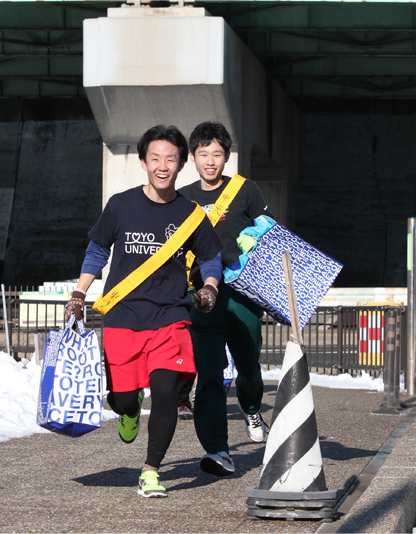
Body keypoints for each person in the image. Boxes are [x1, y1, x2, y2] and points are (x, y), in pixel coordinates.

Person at [64, 125, 222, 498]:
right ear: (143, 162)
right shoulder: (121, 205)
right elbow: (97, 250)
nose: (162, 166)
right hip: (123, 317)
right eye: (155, 159)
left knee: (165, 392)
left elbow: (211, 257)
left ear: (181, 164)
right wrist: (79, 293)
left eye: (170, 159)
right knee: (121, 398)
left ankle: (151, 470)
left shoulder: (191, 214)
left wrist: (210, 287)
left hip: (171, 317)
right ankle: (129, 407)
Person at [177, 121, 273, 477]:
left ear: (227, 156)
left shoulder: (246, 190)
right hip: (202, 294)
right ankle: (217, 449)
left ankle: (251, 406)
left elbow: (269, 232)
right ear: (192, 157)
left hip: (242, 293)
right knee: (209, 371)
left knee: (248, 363)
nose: (210, 161)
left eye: (217, 154)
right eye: (203, 154)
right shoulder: (182, 198)